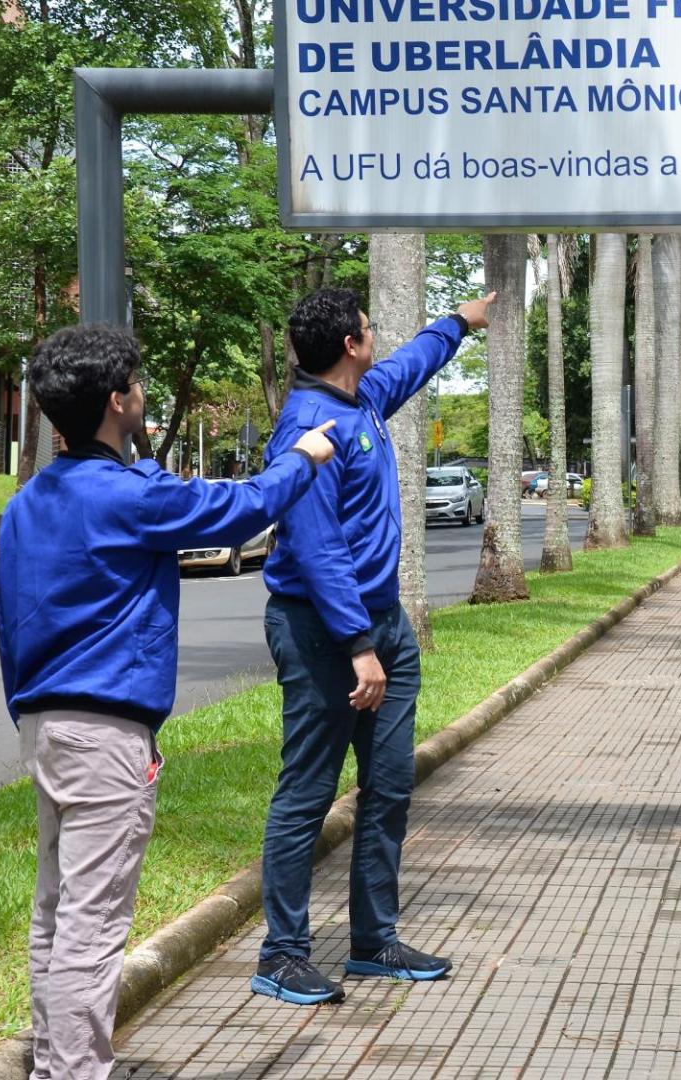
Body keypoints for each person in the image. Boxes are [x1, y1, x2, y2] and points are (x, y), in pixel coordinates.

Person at [0, 324, 336, 1080]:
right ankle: (77, 1072)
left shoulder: (26, 504)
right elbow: (240, 509)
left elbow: (9, 621)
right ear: (117, 402)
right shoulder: (128, 494)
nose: (146, 396)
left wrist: (29, 711)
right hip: (108, 734)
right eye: (140, 386)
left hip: (46, 727)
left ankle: (61, 1063)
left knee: (57, 911)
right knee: (92, 921)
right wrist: (304, 456)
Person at [253, 286, 495, 1005]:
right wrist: (361, 646)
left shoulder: (362, 398)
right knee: (307, 793)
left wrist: (459, 324)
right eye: (368, 327)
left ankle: (372, 942)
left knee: (388, 787)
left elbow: (414, 363)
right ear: (353, 346)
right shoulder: (308, 429)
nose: (375, 334)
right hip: (324, 633)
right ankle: (282, 953)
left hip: (381, 626)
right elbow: (318, 549)